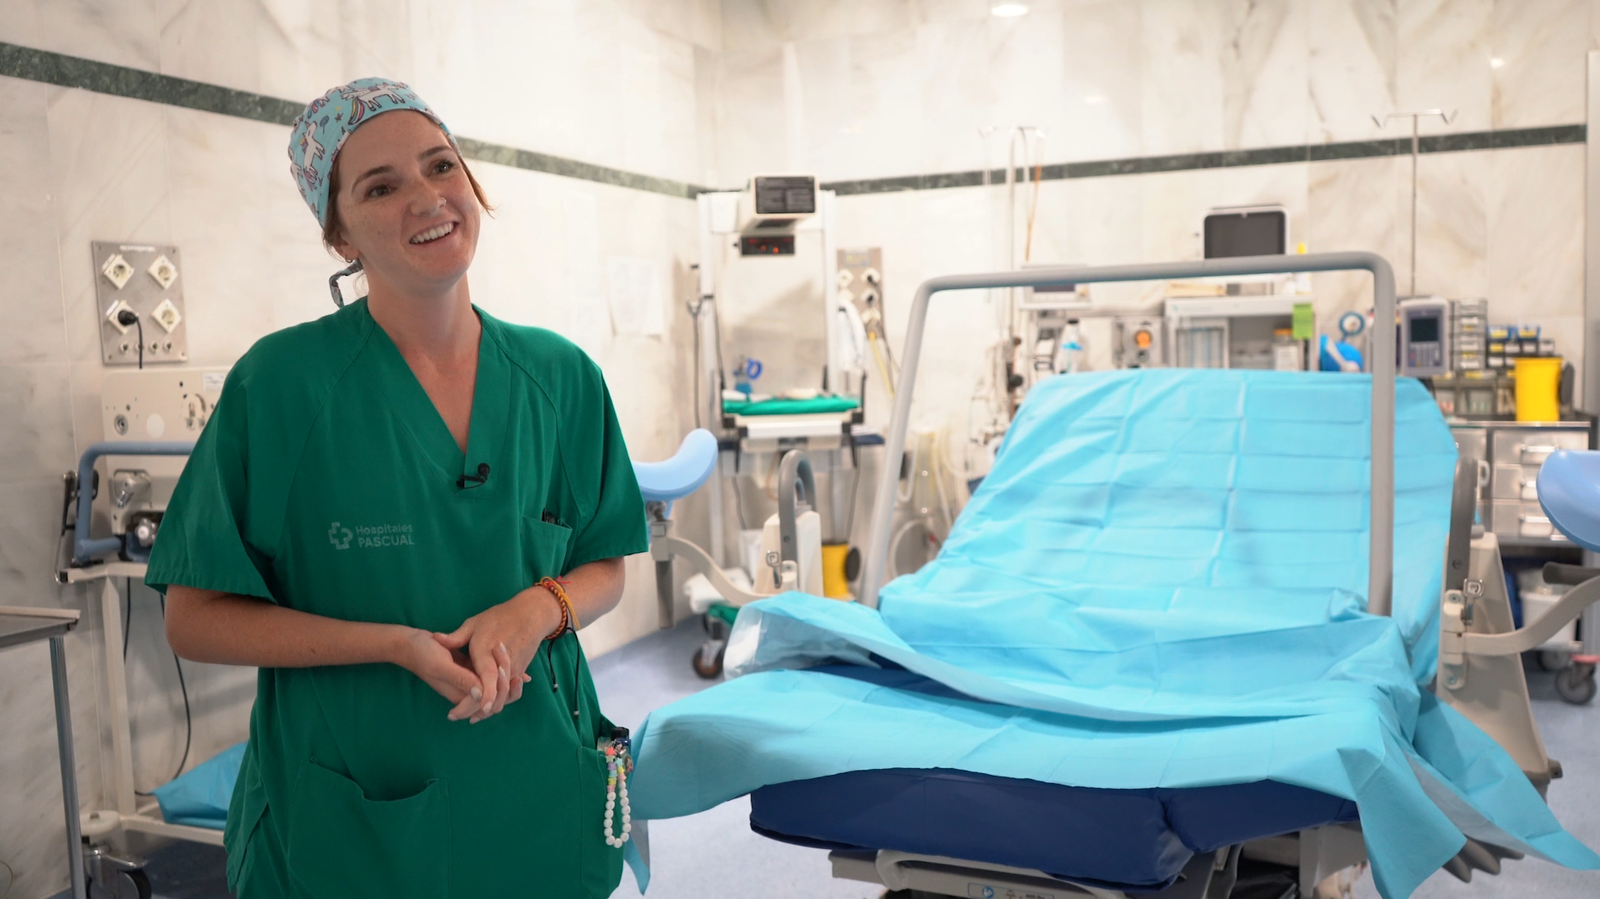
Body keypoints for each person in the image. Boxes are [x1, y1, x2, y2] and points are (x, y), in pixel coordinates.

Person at [147, 78, 647, 898]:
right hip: (352, 819)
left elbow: (605, 565)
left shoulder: (562, 378)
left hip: (539, 795)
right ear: (339, 233)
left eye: (441, 166)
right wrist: (390, 643)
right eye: (380, 187)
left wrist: (535, 609)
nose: (426, 198)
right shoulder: (282, 388)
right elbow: (192, 618)